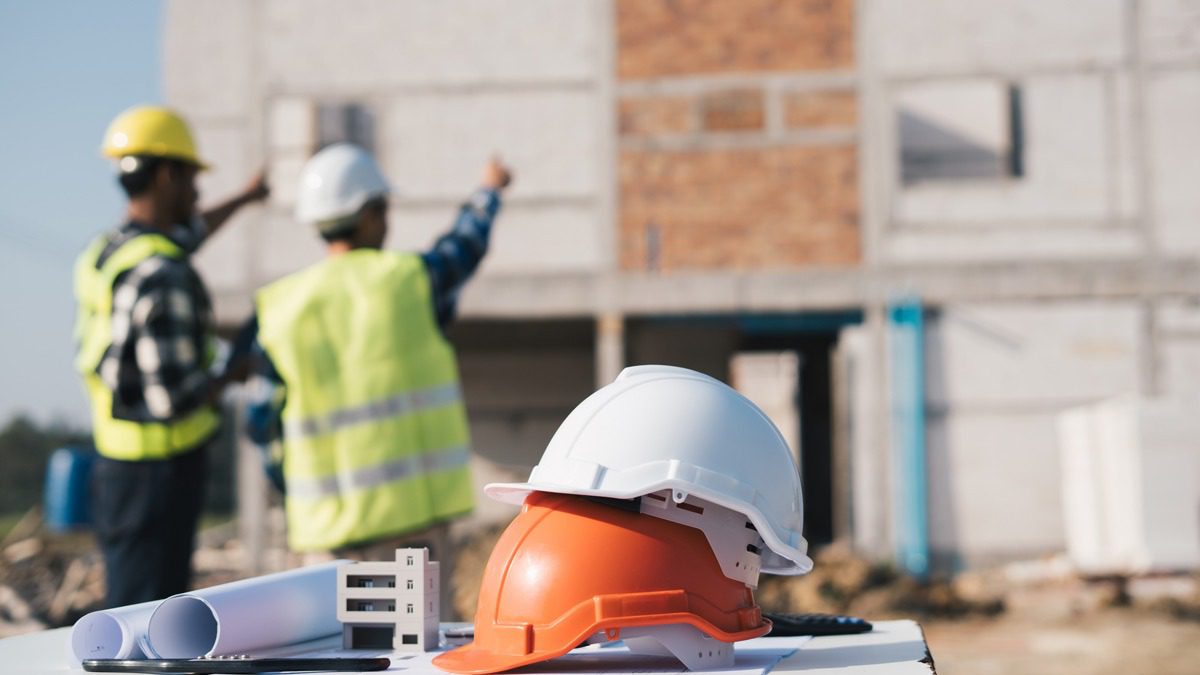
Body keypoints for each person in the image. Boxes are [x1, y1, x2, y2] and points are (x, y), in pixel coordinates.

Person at [246, 143, 511, 614]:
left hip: (326, 539)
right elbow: (463, 247)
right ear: (369, 215)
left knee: (335, 649)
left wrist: (301, 499)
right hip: (412, 531)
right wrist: (488, 192)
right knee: (416, 647)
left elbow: (261, 423)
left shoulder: (281, 308)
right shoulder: (410, 280)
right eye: (384, 209)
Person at [75, 105, 268, 607]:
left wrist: (246, 197)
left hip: (118, 466)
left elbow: (189, 232)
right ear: (165, 175)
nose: (197, 192)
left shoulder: (108, 252)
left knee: (130, 605)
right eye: (191, 178)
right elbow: (173, 398)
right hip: (158, 479)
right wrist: (232, 374)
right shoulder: (164, 275)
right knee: (149, 621)